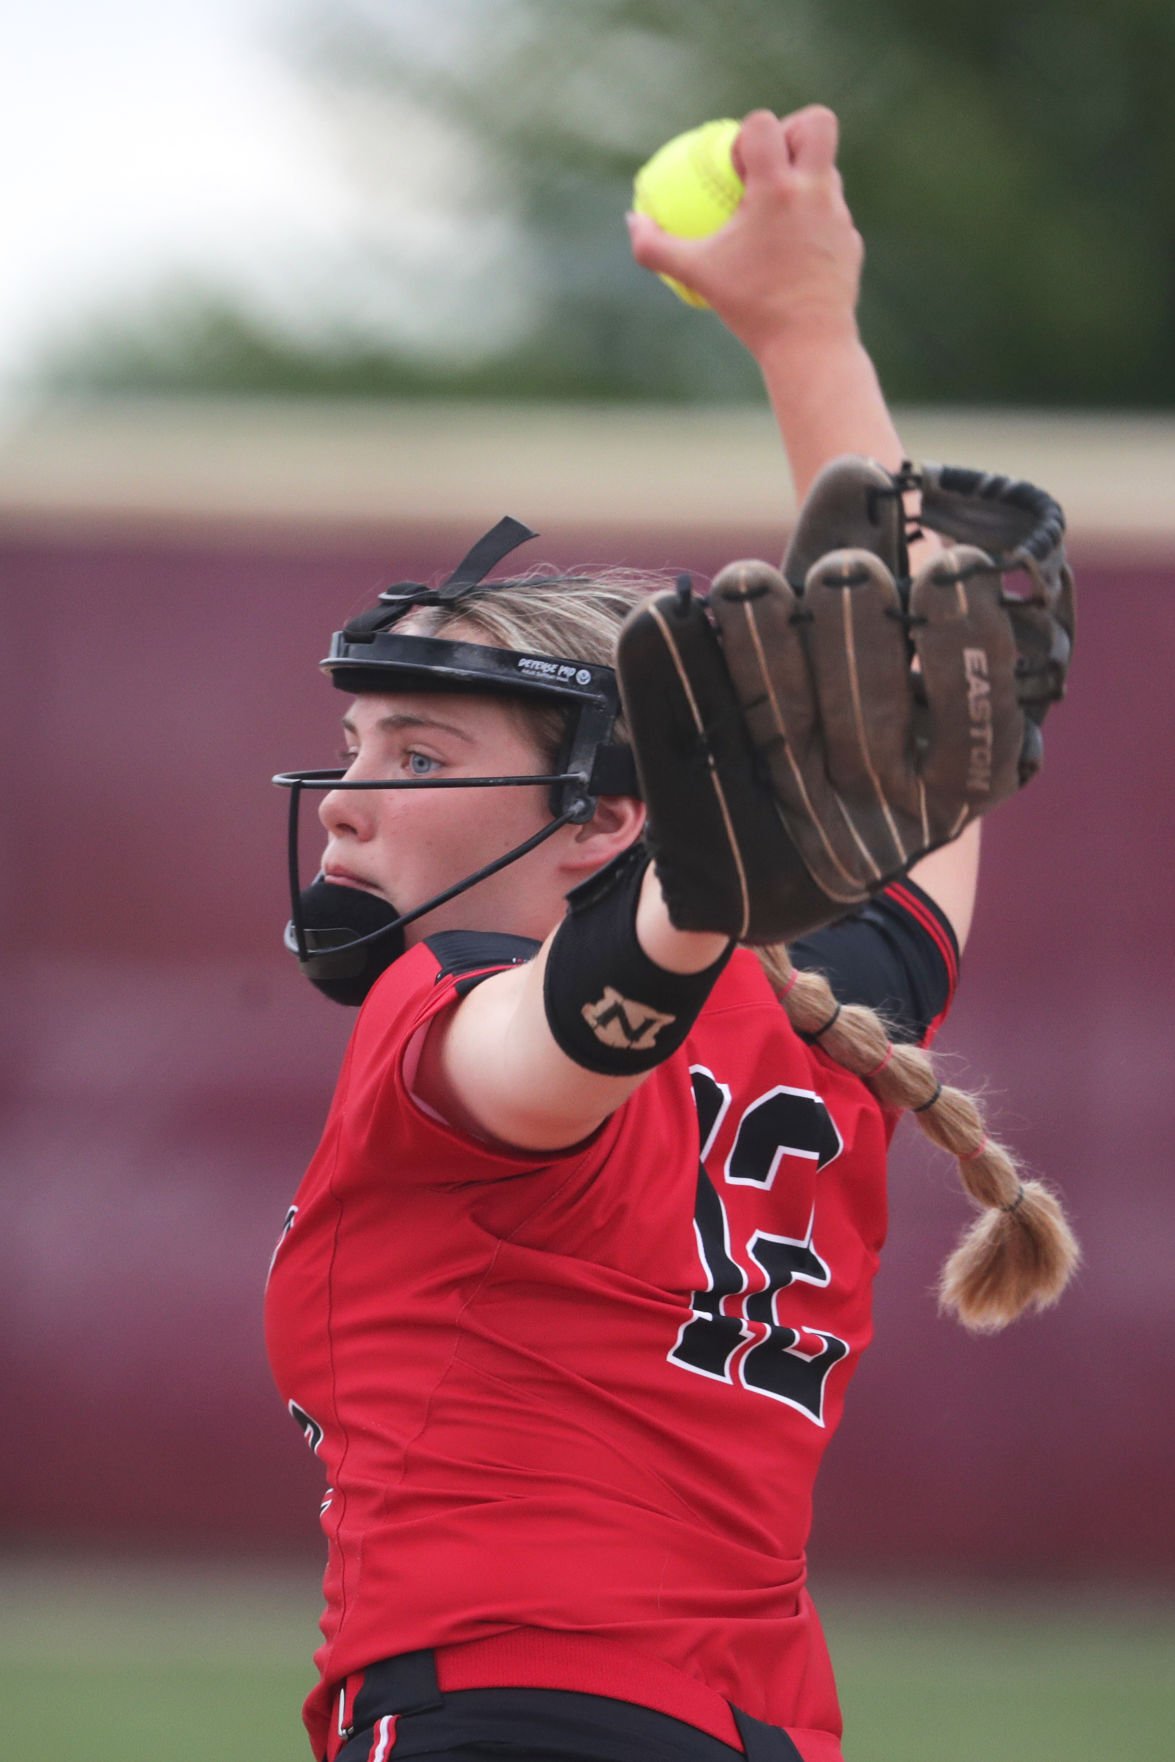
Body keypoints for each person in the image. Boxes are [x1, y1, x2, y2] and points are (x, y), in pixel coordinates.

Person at [265, 108, 1075, 1762]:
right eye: (355, 748)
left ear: (616, 811)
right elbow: (932, 713)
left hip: (505, 1717)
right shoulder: (827, 1012)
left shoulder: (458, 1005)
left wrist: (691, 893)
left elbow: (561, 1044)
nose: (349, 797)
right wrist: (808, 332)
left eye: (421, 754)